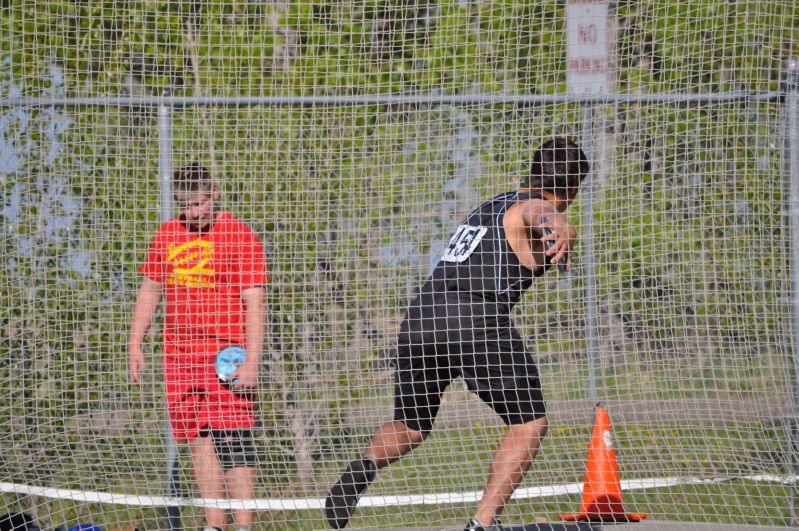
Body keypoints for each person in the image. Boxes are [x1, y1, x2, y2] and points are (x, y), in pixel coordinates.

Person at [325, 138, 589, 531]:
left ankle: (362, 469)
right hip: (473, 318)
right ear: (571, 188)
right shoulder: (537, 207)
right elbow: (537, 213)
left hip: (421, 317)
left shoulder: (486, 205)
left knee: (411, 425)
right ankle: (482, 524)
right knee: (530, 424)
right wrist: (558, 222)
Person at [128, 164, 267, 531]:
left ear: (215, 194)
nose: (195, 212)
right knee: (198, 438)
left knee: (234, 437)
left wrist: (252, 361)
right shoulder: (167, 235)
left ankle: (244, 526)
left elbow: (255, 302)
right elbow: (151, 290)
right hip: (179, 357)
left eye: (201, 203)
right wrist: (135, 342)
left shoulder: (238, 236)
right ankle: (213, 525)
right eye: (187, 205)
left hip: (225, 356)